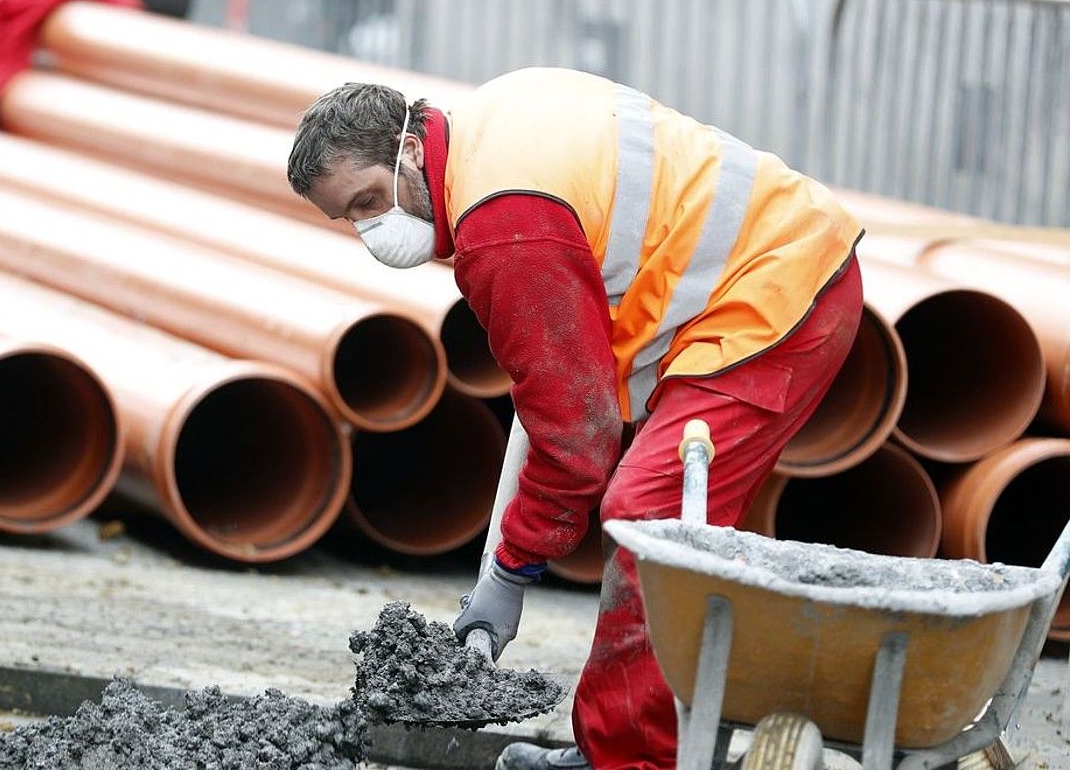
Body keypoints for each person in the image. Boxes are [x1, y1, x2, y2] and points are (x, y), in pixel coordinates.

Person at [286, 67, 863, 770]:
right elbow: (554, 391)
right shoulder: (482, 132)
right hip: (764, 272)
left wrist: (511, 568)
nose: (372, 228)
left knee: (650, 518)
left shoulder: (502, 224)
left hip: (780, 292)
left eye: (371, 201)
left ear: (408, 149)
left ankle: (630, 762)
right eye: (352, 218)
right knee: (663, 524)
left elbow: (577, 436)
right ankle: (629, 749)